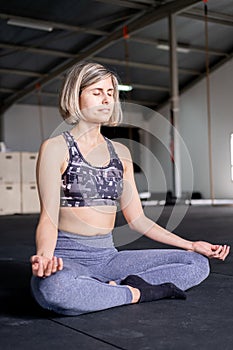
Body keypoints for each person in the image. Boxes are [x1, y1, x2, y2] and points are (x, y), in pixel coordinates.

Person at [30, 61, 230, 316]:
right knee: (53, 289)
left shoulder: (121, 153)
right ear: (75, 96)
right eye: (97, 92)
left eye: (111, 93)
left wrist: (190, 244)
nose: (106, 100)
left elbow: (138, 220)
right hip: (68, 258)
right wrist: (45, 259)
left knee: (196, 264)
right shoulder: (55, 148)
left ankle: (102, 291)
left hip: (109, 258)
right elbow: (48, 218)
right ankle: (136, 292)